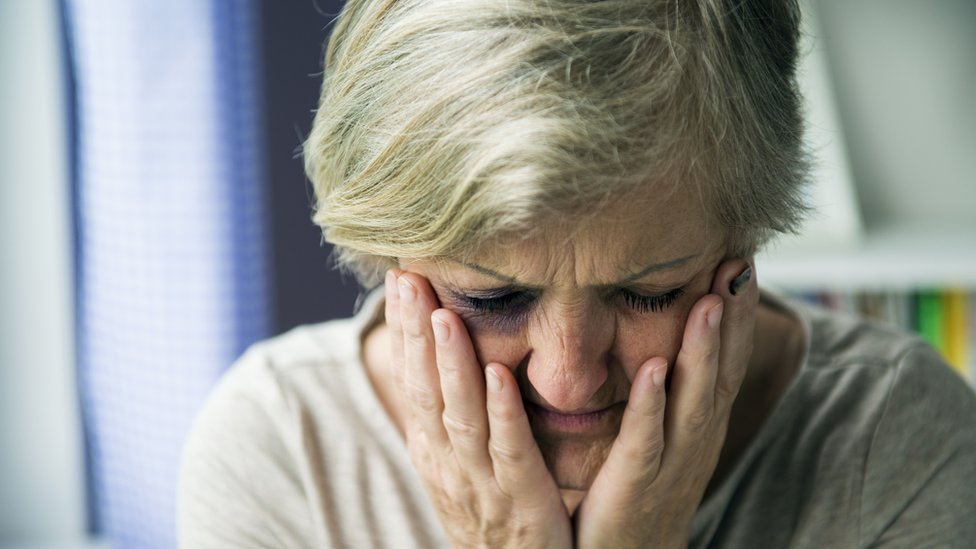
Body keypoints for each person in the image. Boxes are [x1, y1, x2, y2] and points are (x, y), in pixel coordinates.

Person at [178, 0, 976, 547]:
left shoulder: (898, 436)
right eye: (490, 297)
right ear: (391, 257)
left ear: (744, 247)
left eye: (650, 290)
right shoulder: (280, 447)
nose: (568, 381)